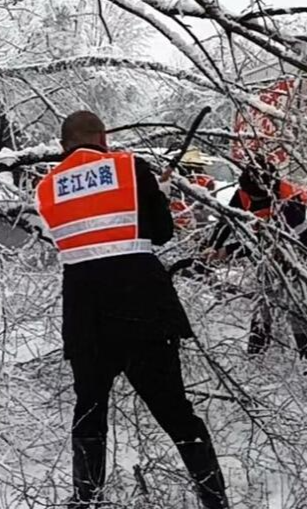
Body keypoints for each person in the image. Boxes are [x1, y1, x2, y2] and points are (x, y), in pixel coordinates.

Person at [35, 111, 229, 508]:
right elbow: (159, 232)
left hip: (86, 317)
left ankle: (85, 498)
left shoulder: (48, 187)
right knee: (175, 410)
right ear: (103, 139)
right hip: (143, 309)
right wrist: (156, 194)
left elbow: (82, 236)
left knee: (89, 411)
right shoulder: (128, 167)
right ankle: (214, 500)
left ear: (63, 146)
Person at [207, 156, 307, 361]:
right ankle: (255, 354)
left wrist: (228, 251)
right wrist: (212, 246)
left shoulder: (288, 204)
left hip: (299, 252)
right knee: (263, 303)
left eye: (258, 198)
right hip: (266, 249)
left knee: (296, 306)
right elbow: (227, 220)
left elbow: (263, 245)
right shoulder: (244, 193)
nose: (254, 200)